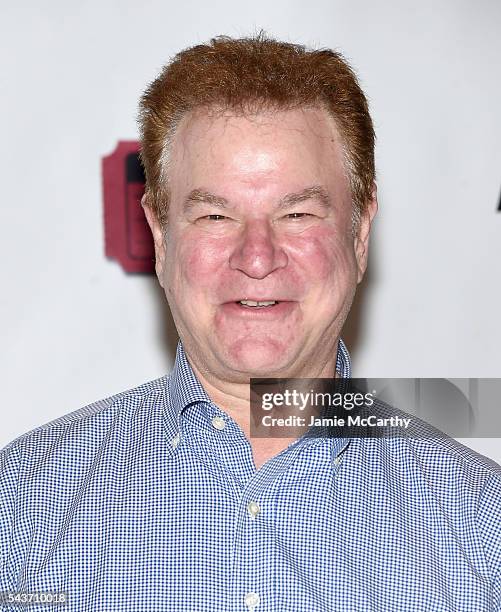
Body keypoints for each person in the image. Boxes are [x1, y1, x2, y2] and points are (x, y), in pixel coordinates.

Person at [1, 34, 500, 612]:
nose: (257, 256)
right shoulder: (21, 505)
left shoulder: (481, 531)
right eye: (215, 214)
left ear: (360, 234)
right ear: (160, 237)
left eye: (297, 214)